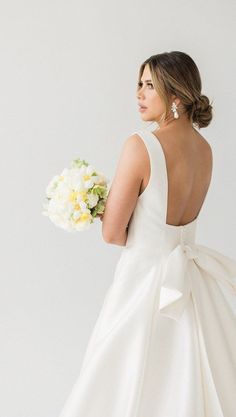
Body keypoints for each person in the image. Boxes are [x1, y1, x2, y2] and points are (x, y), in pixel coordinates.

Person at [59, 51, 236, 417]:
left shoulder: (141, 145)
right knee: (186, 377)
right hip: (190, 283)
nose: (139, 93)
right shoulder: (205, 151)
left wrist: (95, 208)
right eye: (139, 84)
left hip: (142, 283)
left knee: (121, 380)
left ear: (177, 96)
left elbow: (113, 233)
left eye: (150, 85)